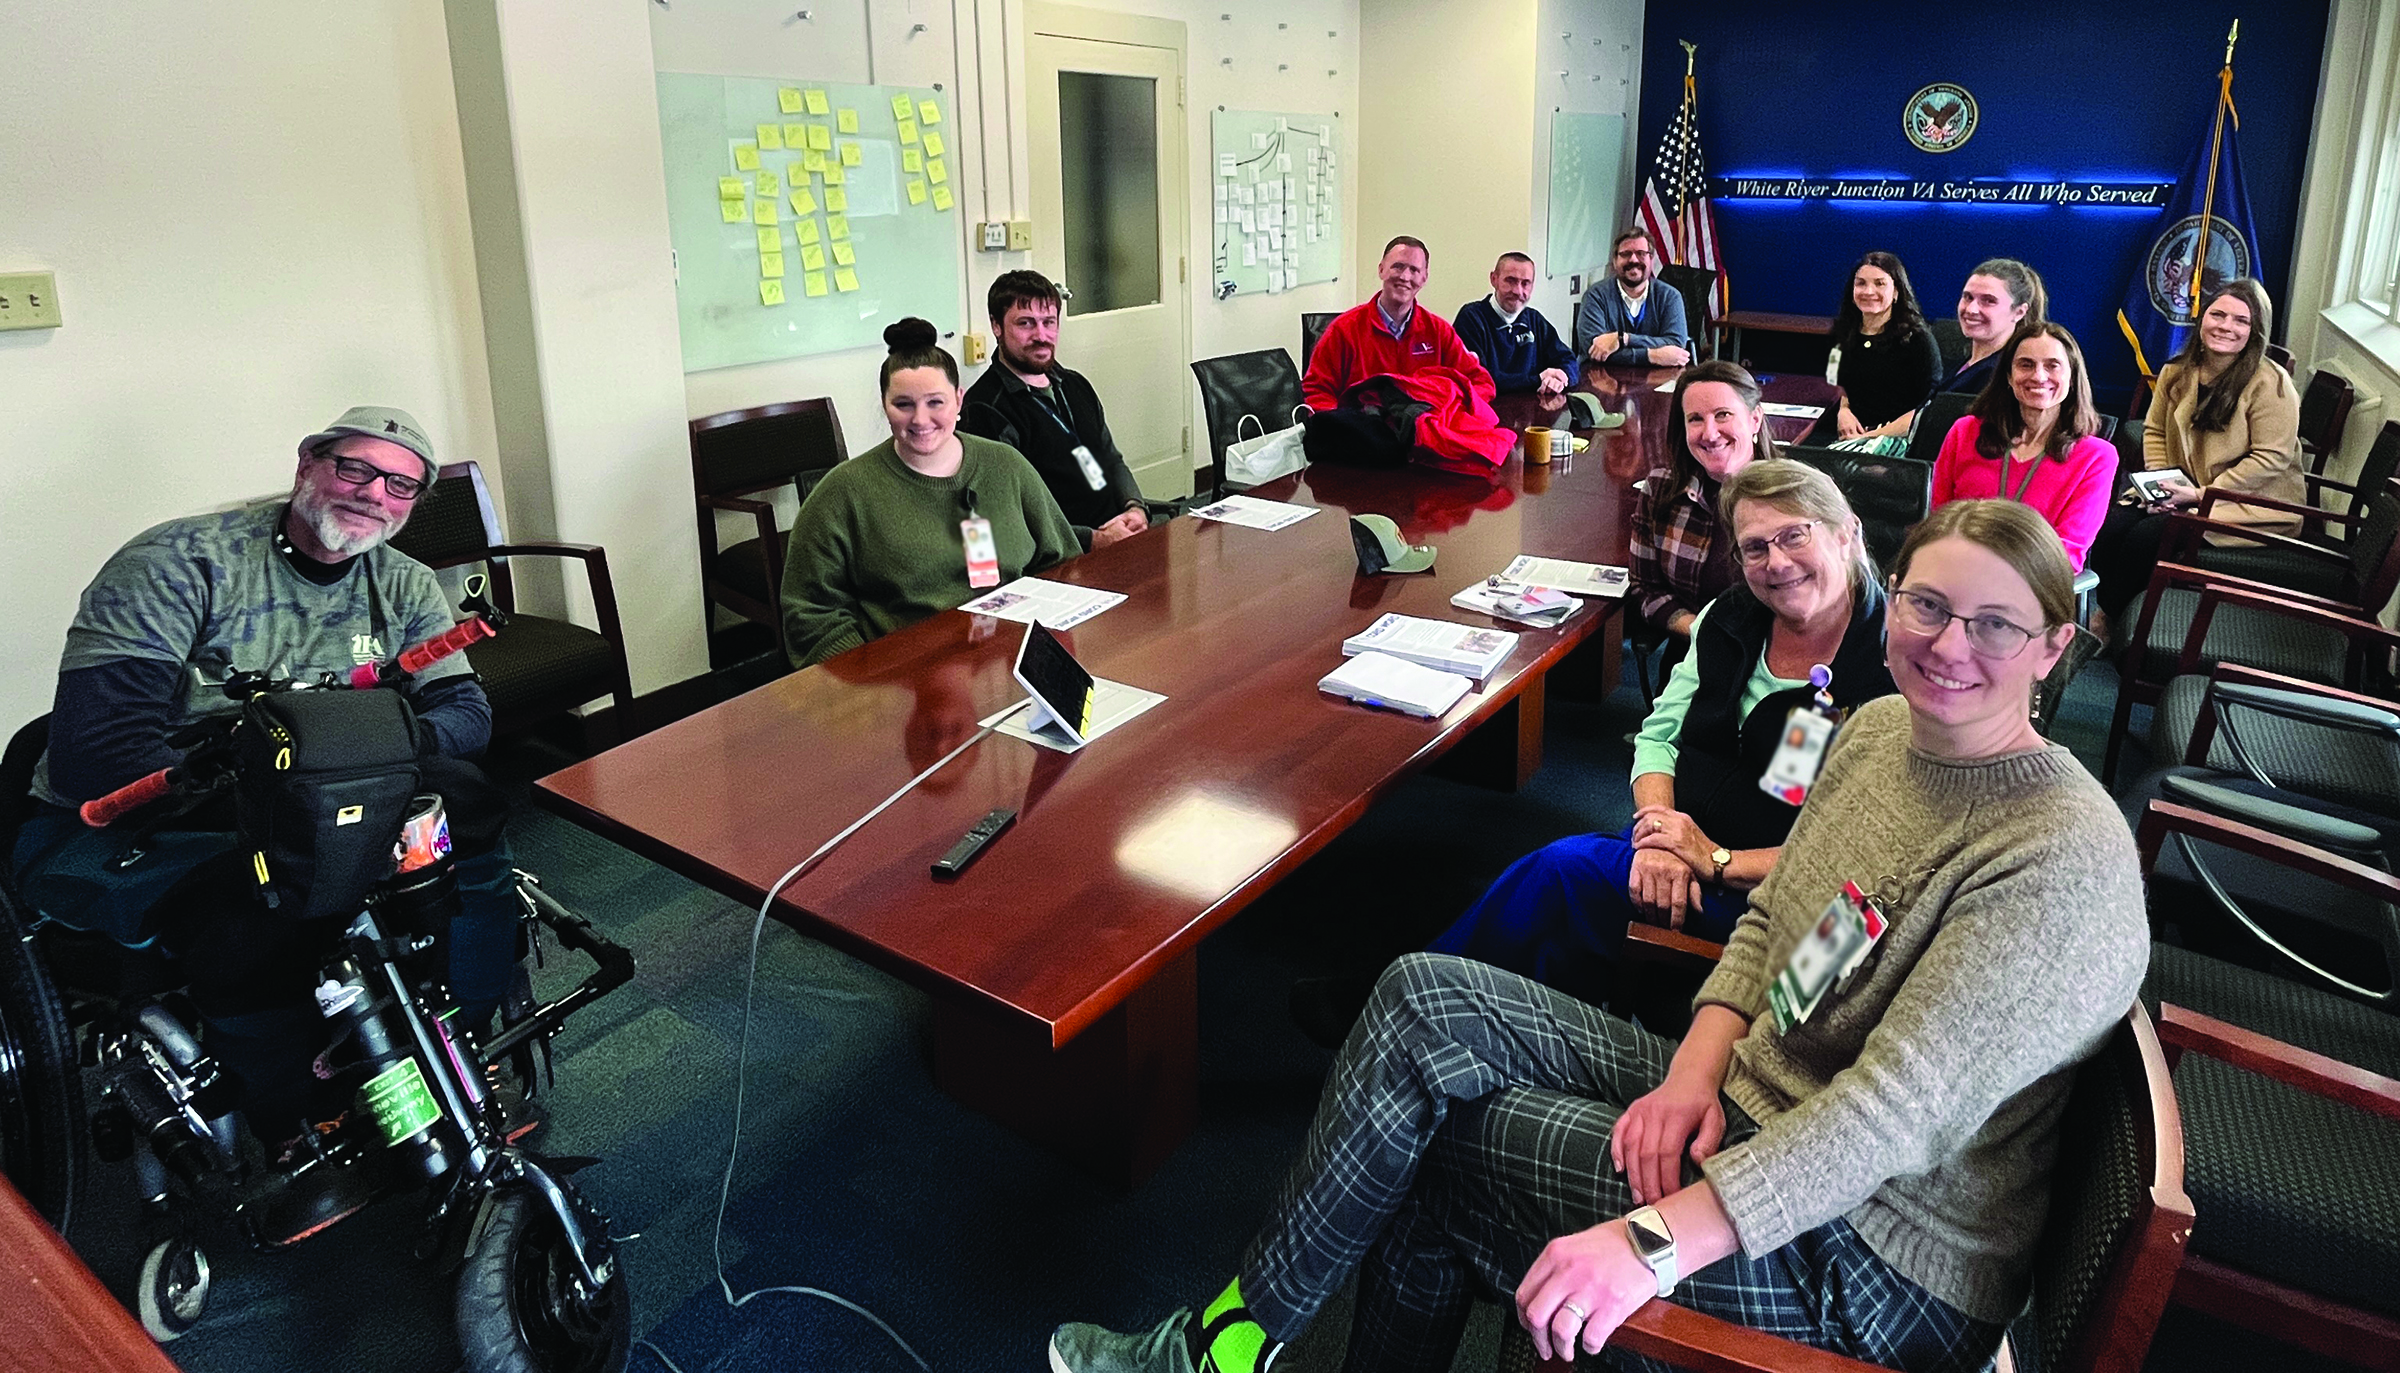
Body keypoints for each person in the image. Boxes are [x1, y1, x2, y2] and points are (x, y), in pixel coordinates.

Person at [1049, 498, 2148, 1373]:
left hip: (1869, 1257)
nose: (1949, 644)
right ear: (1890, 598)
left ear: (2055, 646)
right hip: (1764, 1105)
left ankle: (1222, 1346)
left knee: (1444, 1153)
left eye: (1995, 625)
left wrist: (1651, 1241)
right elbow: (1782, 925)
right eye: (1927, 606)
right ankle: (1225, 1348)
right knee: (1423, 992)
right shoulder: (1878, 732)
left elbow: (1890, 1118)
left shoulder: (2053, 858)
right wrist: (1694, 1068)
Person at [9, 406, 519, 1134]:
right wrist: (300, 784)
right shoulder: (175, 564)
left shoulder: (404, 583)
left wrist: (357, 759)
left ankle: (462, 1039)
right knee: (259, 905)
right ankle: (296, 1118)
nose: (374, 493)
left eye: (400, 485)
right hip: (152, 810)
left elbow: (465, 714)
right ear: (308, 463)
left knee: (467, 814)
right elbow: (99, 753)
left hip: (328, 798)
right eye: (355, 468)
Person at [1429, 460, 1897, 1005]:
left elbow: (1866, 855)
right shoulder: (1730, 617)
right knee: (1564, 903)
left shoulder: (1893, 667)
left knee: (1563, 878)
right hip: (1681, 844)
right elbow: (1659, 737)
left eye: (1795, 536)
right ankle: (1490, 1018)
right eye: (1754, 547)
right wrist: (1662, 835)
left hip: (1777, 902)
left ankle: (1426, 1002)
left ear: (1846, 533)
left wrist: (1714, 861)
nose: (1777, 562)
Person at [779, 318, 1080, 669]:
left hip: (1013, 664)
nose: (921, 420)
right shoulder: (842, 493)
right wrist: (864, 676)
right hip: (904, 678)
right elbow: (810, 613)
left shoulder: (1007, 466)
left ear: (959, 400)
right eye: (903, 404)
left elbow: (1062, 563)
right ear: (884, 405)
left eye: (935, 402)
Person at [2086, 278, 2302, 632]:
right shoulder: (2175, 372)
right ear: (2202, 318)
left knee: (2148, 537)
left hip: (2245, 501)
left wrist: (2199, 495)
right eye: (2218, 315)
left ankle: (2110, 619)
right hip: (2180, 487)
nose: (2226, 326)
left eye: (2241, 320)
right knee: (2112, 525)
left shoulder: (2271, 384)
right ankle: (2118, 610)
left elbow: (2271, 458)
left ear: (2255, 331)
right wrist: (2161, 487)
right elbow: (2154, 431)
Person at [962, 269, 1151, 551]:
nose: (1041, 335)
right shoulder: (985, 409)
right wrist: (1093, 539)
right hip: (1059, 554)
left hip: (1117, 535)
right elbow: (1008, 517)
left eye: (1048, 322)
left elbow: (1111, 459)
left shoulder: (1076, 385)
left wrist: (1135, 507)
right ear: (996, 326)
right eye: (1025, 323)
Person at [1931, 323, 2116, 571]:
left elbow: (2068, 552)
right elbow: (1939, 521)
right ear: (2009, 376)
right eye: (2026, 365)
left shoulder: (2096, 457)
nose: (2038, 376)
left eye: (2052, 365)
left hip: (2033, 581)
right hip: (1955, 570)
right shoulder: (1964, 432)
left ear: (2072, 377)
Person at [1630, 361, 1779, 643]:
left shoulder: (1793, 497)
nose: (1709, 434)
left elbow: (1819, 602)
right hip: (1692, 654)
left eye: (1723, 415)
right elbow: (1645, 587)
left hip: (1773, 657)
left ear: (1755, 420)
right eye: (1695, 419)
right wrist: (1700, 630)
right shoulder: (1661, 489)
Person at [1301, 235, 1496, 411]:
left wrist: (1449, 410)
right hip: (1361, 431)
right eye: (1398, 266)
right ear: (1381, 270)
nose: (1405, 277)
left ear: (1424, 278)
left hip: (1422, 431)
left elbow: (1481, 383)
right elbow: (1316, 390)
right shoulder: (1344, 329)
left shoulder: (1439, 331)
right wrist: (1338, 426)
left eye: (1414, 270)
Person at [1819, 252, 1942, 455]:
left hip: (1896, 438)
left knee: (1827, 463)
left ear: (1896, 292)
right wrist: (1844, 410)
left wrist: (1869, 436)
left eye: (1879, 284)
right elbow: (1834, 381)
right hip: (1847, 432)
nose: (1869, 291)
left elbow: (1927, 409)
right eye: (1861, 283)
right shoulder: (1841, 333)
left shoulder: (1918, 339)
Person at [1453, 252, 1575, 396]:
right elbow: (1480, 380)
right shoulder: (1471, 319)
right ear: (1494, 279)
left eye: (1525, 283)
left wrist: (1561, 377)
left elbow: (1568, 360)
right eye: (1510, 281)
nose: (1518, 291)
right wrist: (1537, 380)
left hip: (1534, 408)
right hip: (1488, 408)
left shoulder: (1534, 320)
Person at [1575, 229, 1694, 368]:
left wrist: (1624, 339)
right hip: (1602, 377)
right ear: (1615, 261)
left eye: (1641, 253)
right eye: (1625, 254)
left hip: (1660, 377)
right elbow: (1594, 349)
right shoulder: (1595, 296)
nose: (1633, 259)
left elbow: (1676, 345)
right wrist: (1651, 355)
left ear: (1651, 259)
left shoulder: (1670, 296)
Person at [1942, 259, 2046, 396]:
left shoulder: (2001, 377)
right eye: (1968, 297)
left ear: (2019, 312)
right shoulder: (1965, 364)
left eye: (1989, 301)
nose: (1971, 309)